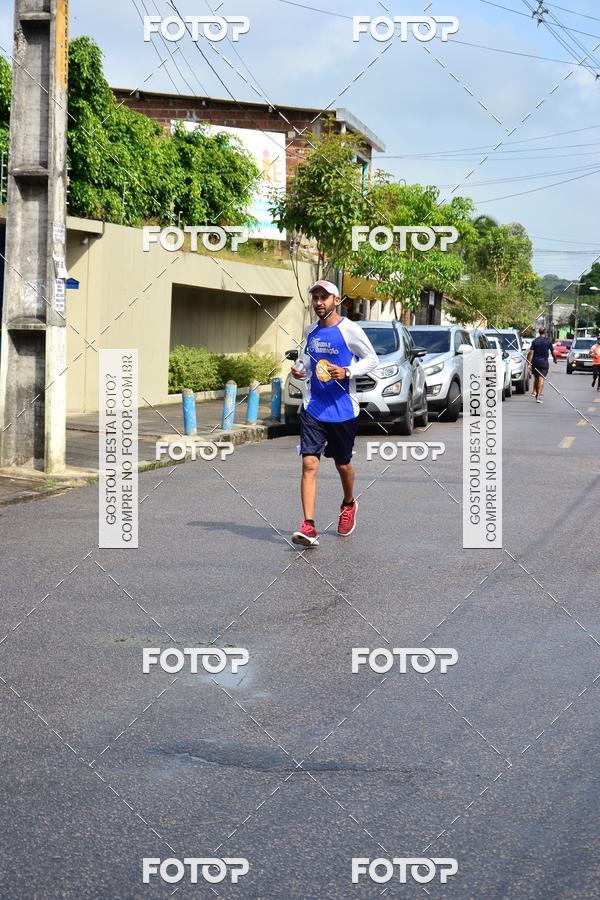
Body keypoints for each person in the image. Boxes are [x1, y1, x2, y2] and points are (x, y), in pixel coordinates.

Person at [290, 280, 378, 547]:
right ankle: (309, 526)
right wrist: (299, 369)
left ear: (336, 301)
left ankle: (349, 503)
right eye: (315, 297)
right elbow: (305, 361)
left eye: (324, 297)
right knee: (309, 464)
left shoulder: (350, 330)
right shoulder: (311, 331)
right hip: (314, 407)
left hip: (342, 411)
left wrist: (348, 371)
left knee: (342, 465)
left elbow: (372, 359)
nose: (319, 302)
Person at [527, 326, 557, 403]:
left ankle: (536, 394)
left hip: (535, 362)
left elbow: (531, 353)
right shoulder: (548, 341)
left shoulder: (535, 341)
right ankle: (538, 396)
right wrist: (555, 359)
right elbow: (553, 352)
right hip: (544, 362)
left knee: (536, 379)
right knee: (541, 378)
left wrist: (529, 363)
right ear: (545, 332)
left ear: (539, 332)